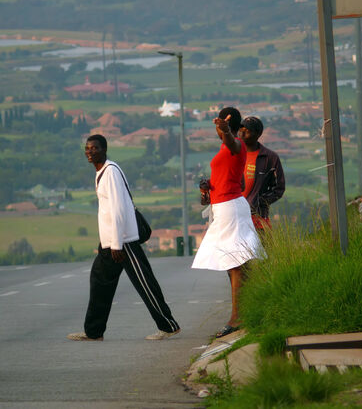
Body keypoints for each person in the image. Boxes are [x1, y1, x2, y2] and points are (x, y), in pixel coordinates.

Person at [67, 134, 180, 341]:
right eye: (88, 148)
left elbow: (118, 209)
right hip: (111, 242)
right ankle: (93, 331)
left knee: (144, 282)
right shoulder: (101, 171)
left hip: (123, 241)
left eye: (95, 148)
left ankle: (169, 326)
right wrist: (109, 242)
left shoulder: (110, 172)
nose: (90, 151)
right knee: (99, 280)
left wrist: (117, 243)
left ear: (104, 149)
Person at [192, 108, 264, 338]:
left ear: (228, 126)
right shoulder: (225, 148)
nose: (217, 130)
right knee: (235, 264)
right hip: (223, 206)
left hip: (231, 208)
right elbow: (232, 179)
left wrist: (224, 131)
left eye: (220, 126)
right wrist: (207, 192)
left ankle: (237, 318)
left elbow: (233, 144)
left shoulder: (236, 145)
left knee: (235, 264)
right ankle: (252, 309)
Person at [239, 116, 285, 232]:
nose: (242, 134)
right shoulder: (233, 154)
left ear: (258, 134)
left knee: (260, 249)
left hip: (258, 219)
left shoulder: (270, 158)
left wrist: (260, 202)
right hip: (234, 217)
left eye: (248, 131)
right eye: (241, 130)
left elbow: (279, 188)